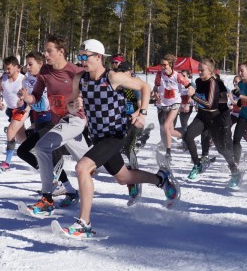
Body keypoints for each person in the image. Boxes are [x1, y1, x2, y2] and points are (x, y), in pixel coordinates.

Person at [58, 39, 179, 238]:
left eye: (84, 56)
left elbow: (145, 87)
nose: (81, 61)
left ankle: (84, 224)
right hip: (96, 135)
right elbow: (71, 104)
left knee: (82, 168)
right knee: (123, 178)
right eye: (79, 56)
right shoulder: (80, 78)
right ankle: (161, 179)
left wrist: (142, 113)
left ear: (98, 57)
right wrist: (74, 106)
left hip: (115, 134)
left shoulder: (113, 77)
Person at [20, 34, 91, 216]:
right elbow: (35, 96)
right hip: (59, 122)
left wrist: (82, 104)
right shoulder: (44, 71)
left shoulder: (75, 71)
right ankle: (131, 176)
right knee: (93, 162)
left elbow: (91, 94)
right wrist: (27, 97)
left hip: (75, 120)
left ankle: (47, 200)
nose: (45, 54)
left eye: (49, 51)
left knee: (42, 147)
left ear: (61, 52)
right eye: (45, 50)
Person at [182, 58, 241, 187]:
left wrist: (193, 96)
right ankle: (197, 165)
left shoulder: (214, 83)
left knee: (221, 149)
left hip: (214, 118)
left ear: (210, 71)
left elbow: (210, 104)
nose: (200, 72)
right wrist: (192, 95)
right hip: (202, 116)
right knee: (188, 136)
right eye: (199, 70)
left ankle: (235, 171)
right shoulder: (198, 81)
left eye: (202, 70)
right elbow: (199, 97)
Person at [152, 54, 190, 161]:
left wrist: (189, 98)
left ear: (171, 65)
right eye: (161, 64)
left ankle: (168, 153)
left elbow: (189, 87)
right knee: (170, 130)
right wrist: (155, 94)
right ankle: (186, 134)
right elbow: (155, 88)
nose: (162, 67)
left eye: (164, 65)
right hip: (164, 103)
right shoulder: (159, 74)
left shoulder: (177, 76)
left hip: (175, 103)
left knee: (166, 125)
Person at [0, 57, 26, 171]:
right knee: (22, 139)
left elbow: (32, 95)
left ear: (17, 68)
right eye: (5, 69)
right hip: (11, 111)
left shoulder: (23, 79)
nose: (6, 71)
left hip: (23, 109)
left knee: (10, 131)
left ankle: (7, 163)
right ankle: (39, 151)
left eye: (8, 69)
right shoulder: (3, 80)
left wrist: (24, 100)